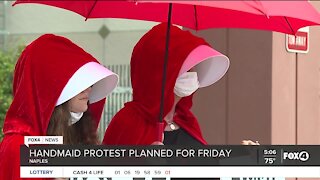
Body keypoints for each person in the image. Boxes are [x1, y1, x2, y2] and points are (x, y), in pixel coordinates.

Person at [0, 34, 119, 180]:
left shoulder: (73, 135)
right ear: (51, 88)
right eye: (79, 83)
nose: (88, 89)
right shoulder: (21, 148)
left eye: (89, 82)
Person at [102, 23, 230, 145]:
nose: (193, 73)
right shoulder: (128, 124)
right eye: (185, 67)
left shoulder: (187, 121)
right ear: (160, 72)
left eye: (193, 66)